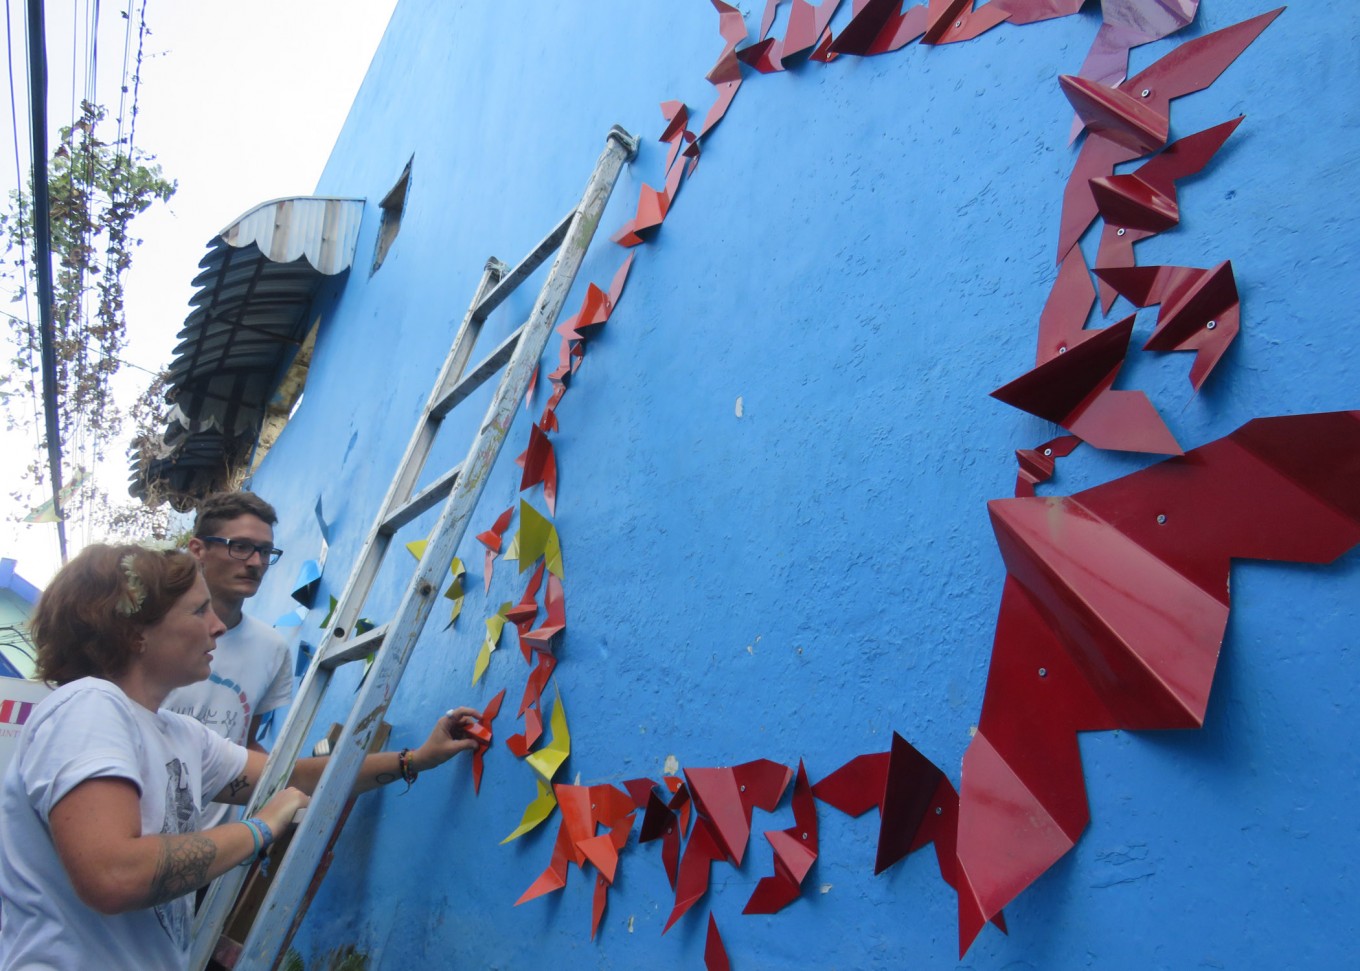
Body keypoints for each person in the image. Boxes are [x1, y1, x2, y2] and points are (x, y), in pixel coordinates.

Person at [0, 544, 479, 970]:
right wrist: (260, 828)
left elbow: (293, 779)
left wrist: (413, 760)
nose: (216, 626)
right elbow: (113, 874)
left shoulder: (177, 733)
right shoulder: (88, 707)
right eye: (197, 611)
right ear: (135, 634)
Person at [164, 491, 293, 830]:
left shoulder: (273, 648)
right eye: (240, 546)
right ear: (197, 550)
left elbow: (244, 739)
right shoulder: (148, 633)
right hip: (138, 833)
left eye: (265, 551)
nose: (254, 562)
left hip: (213, 847)